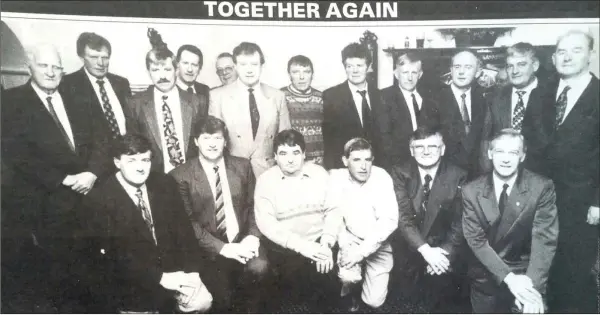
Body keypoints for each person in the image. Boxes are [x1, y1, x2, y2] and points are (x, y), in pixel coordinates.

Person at [1, 44, 110, 312]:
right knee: (54, 282)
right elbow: (15, 153)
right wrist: (63, 179)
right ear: (30, 67)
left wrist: (93, 172)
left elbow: (102, 138)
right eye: (43, 65)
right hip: (44, 206)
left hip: (88, 198)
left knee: (93, 278)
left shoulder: (78, 96)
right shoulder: (10, 102)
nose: (50, 72)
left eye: (56, 67)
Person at [83, 134, 212, 313]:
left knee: (202, 301)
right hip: (131, 282)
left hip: (172, 272)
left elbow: (185, 233)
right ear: (117, 162)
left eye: (145, 160)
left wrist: (193, 273)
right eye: (132, 161)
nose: (140, 168)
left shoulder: (164, 183)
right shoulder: (99, 198)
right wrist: (158, 277)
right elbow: (111, 258)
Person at [169, 116, 269, 313]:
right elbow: (189, 223)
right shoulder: (180, 175)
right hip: (208, 248)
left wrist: (252, 237)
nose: (212, 144)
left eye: (217, 138)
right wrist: (222, 248)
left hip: (242, 239)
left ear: (225, 142)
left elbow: (254, 205)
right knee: (222, 299)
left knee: (260, 269)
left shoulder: (242, 166)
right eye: (206, 138)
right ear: (196, 141)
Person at [462, 129, 558, 314]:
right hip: (487, 273)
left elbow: (544, 241)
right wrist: (510, 279)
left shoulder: (541, 187)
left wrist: (532, 289)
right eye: (499, 151)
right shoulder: (471, 190)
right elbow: (476, 241)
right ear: (490, 154)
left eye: (513, 152)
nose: (506, 159)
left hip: (527, 275)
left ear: (522, 156)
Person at [544, 29, 599, 313]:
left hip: (582, 202)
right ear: (553, 58)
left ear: (591, 54)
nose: (567, 57)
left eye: (576, 50)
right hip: (544, 199)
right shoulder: (544, 91)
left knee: (576, 270)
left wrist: (598, 201)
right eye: (561, 51)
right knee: (547, 265)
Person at [254, 129, 338, 312]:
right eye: (283, 153)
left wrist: (326, 245)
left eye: (295, 152)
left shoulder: (319, 174)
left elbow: (333, 210)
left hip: (320, 243)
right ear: (275, 156)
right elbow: (267, 225)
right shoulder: (265, 181)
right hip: (287, 249)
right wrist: (304, 248)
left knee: (327, 293)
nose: (290, 159)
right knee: (293, 298)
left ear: (304, 154)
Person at [389, 126, 467, 313]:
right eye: (419, 146)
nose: (425, 152)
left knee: (445, 301)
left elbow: (460, 222)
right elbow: (404, 218)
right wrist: (426, 251)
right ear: (411, 150)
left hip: (444, 252)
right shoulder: (399, 172)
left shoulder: (458, 175)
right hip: (412, 247)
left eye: (432, 146)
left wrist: (442, 255)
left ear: (442, 149)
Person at [327, 138, 398, 312]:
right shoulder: (336, 177)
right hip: (351, 238)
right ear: (345, 161)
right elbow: (334, 214)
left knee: (374, 301)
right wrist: (344, 244)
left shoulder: (382, 177)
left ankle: (366, 286)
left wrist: (360, 253)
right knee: (348, 277)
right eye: (356, 160)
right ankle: (350, 292)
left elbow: (388, 221)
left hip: (377, 242)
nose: (363, 166)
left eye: (368, 159)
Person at [125, 29, 207, 174]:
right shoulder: (135, 103)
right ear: (148, 72)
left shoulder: (197, 101)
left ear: (176, 70)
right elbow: (134, 146)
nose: (162, 76)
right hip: (155, 178)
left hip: (191, 176)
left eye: (167, 69)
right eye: (155, 70)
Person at [209, 42, 291, 177]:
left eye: (254, 64)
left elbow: (286, 141)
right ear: (235, 66)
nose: (249, 70)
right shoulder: (218, 96)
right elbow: (214, 142)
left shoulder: (277, 96)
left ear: (261, 66)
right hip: (232, 174)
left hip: (268, 173)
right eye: (243, 65)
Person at [483, 42, 548, 174]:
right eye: (510, 66)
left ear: (535, 66)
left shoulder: (551, 95)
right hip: (502, 173)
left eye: (521, 64)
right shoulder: (495, 97)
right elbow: (486, 140)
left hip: (541, 175)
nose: (515, 71)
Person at [322, 42, 386, 170]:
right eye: (349, 66)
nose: (355, 70)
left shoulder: (380, 95)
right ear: (344, 67)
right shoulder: (331, 96)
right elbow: (329, 141)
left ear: (368, 66)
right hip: (345, 169)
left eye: (359, 65)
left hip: (377, 167)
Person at [429, 50, 489, 179]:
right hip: (444, 176)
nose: (461, 72)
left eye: (468, 67)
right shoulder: (434, 100)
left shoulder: (484, 100)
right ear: (451, 70)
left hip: (477, 176)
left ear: (478, 72)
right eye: (457, 67)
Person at [62, 32, 131, 142]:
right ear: (82, 58)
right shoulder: (67, 84)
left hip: (126, 154)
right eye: (94, 57)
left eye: (105, 57)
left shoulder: (121, 83)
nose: (101, 63)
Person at [380, 53, 438, 167]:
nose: (410, 78)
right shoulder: (384, 97)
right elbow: (384, 138)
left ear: (420, 75)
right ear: (396, 74)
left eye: (414, 73)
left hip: (426, 161)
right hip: (397, 164)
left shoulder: (429, 98)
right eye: (405, 72)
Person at [281, 55, 324, 165]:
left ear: (312, 75)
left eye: (306, 72)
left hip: (318, 161)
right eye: (295, 72)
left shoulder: (322, 97)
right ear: (289, 74)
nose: (301, 77)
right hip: (290, 160)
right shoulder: (280, 96)